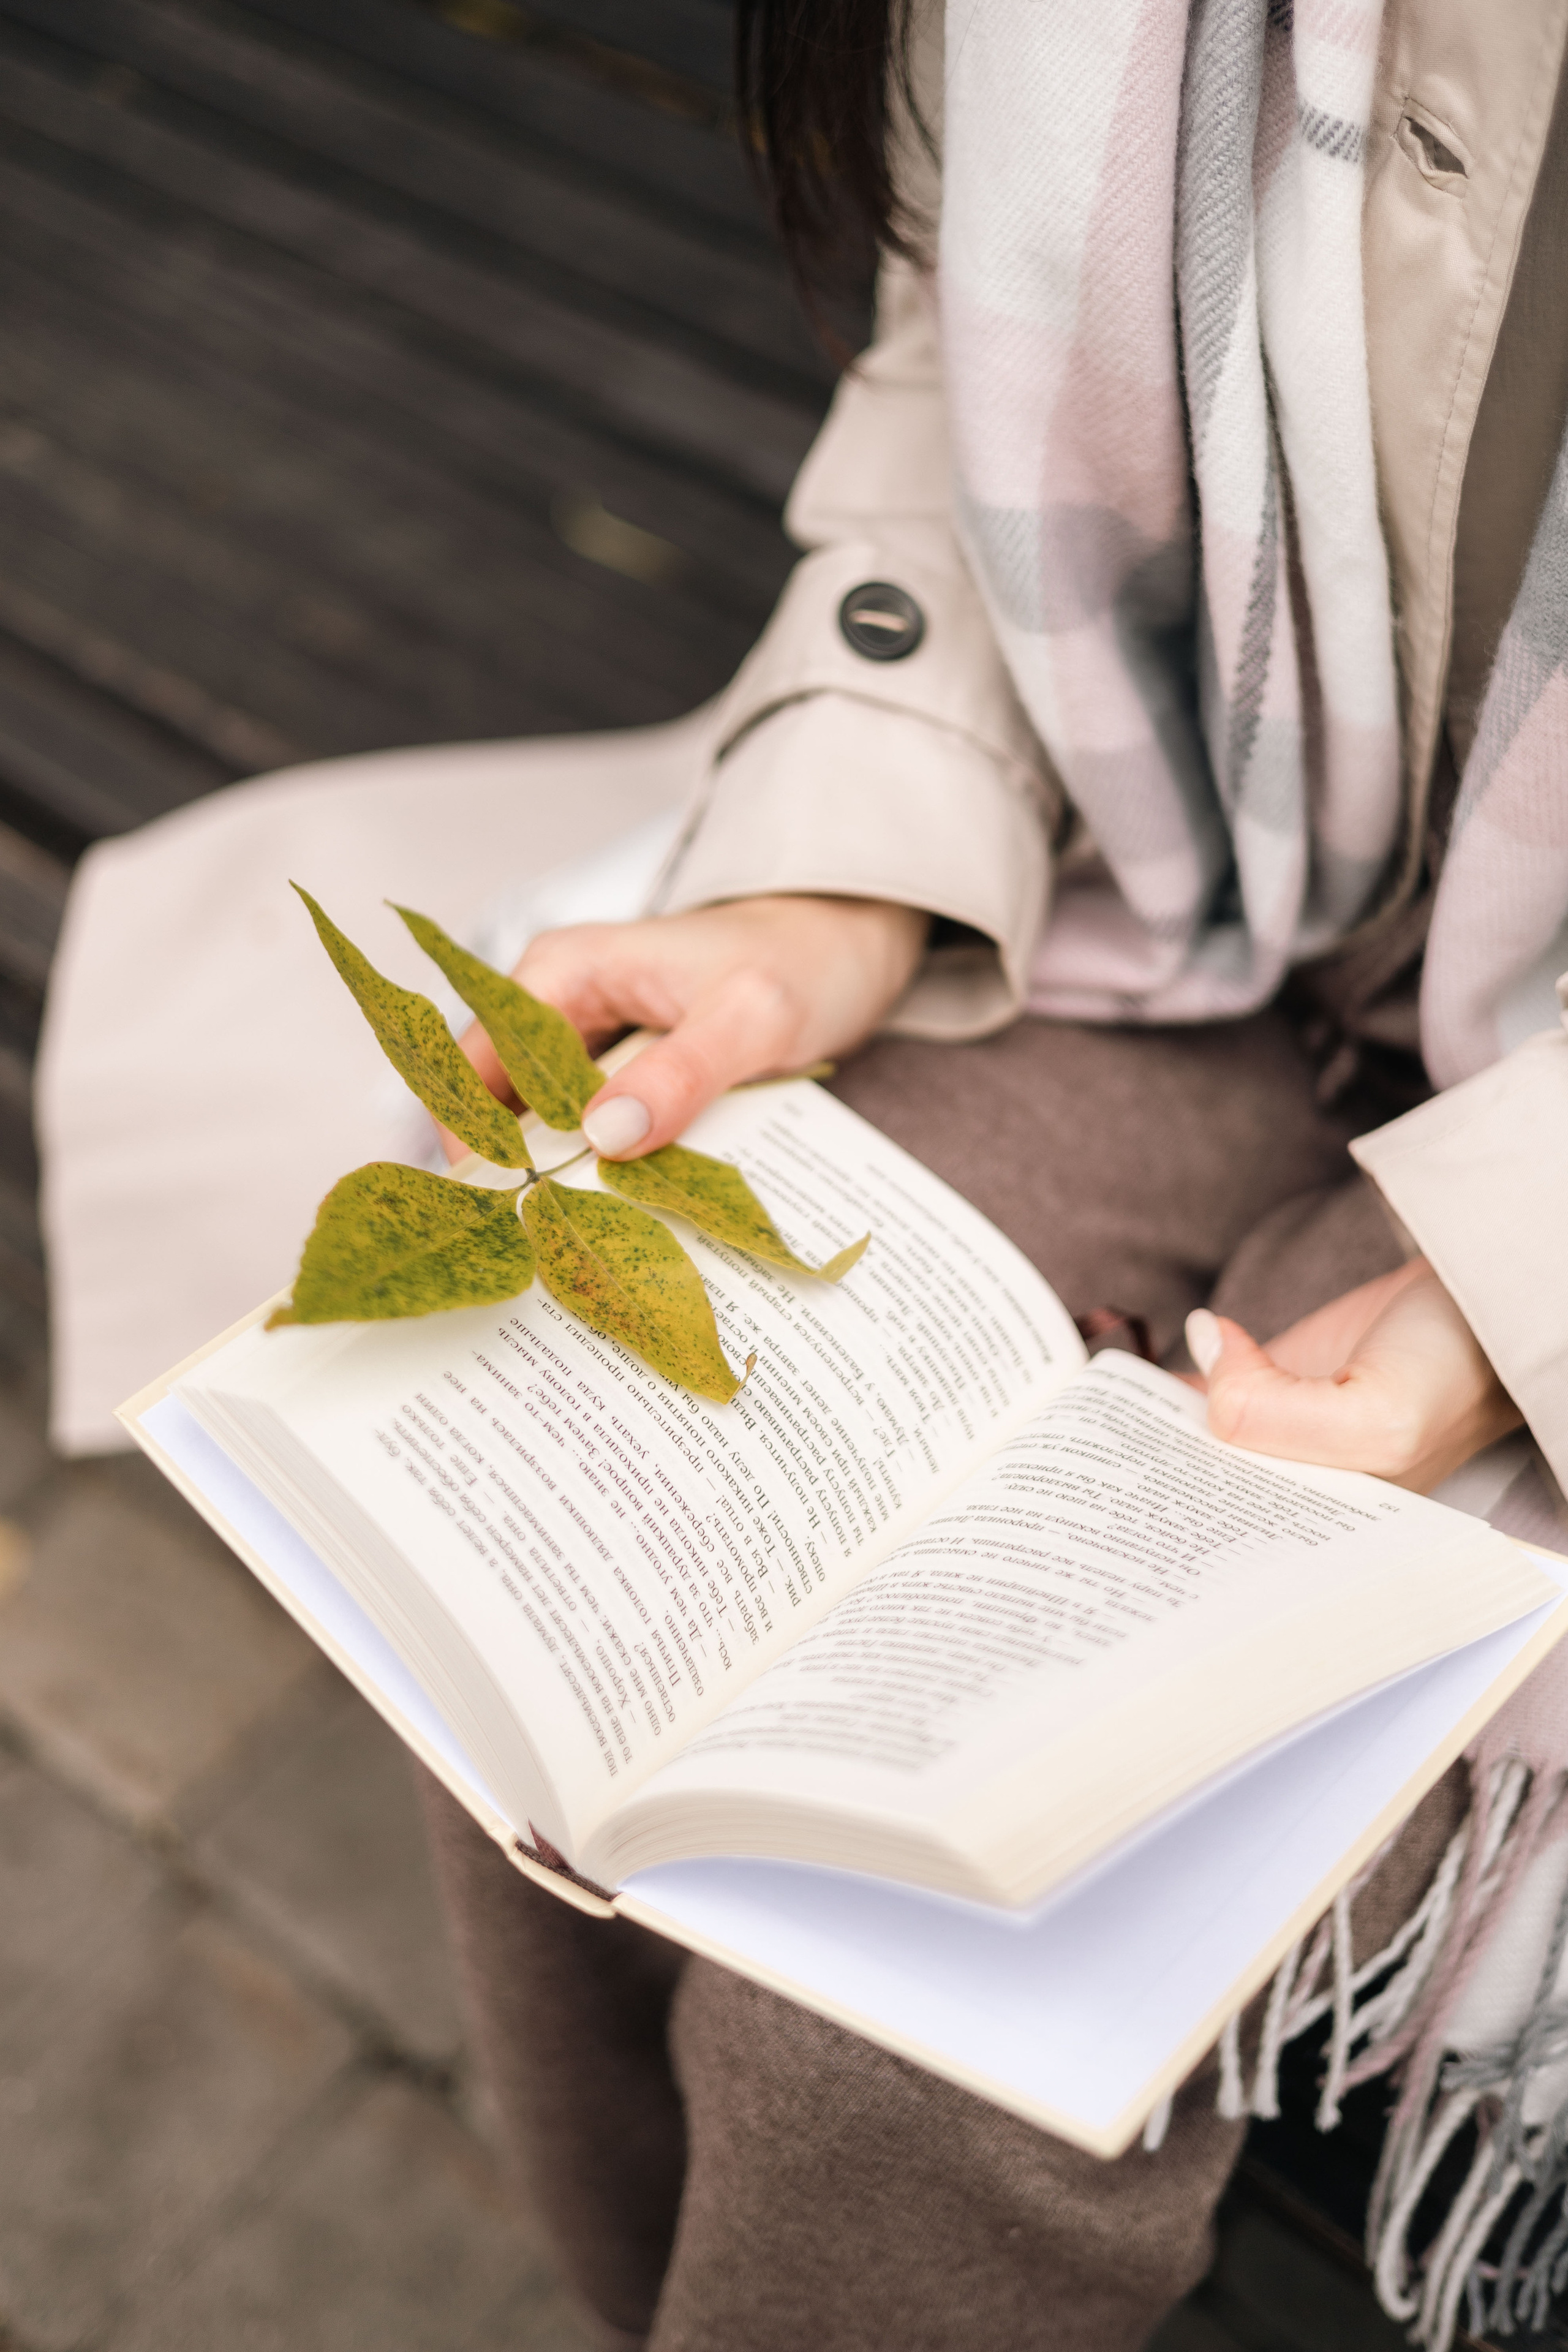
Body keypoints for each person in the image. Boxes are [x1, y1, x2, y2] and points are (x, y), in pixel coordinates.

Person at [34, 0, 1568, 2344]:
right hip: (1172, 867)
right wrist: (835, 879)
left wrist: (1508, 1299)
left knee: (913, 2012)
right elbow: (971, 365)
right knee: (544, 1529)